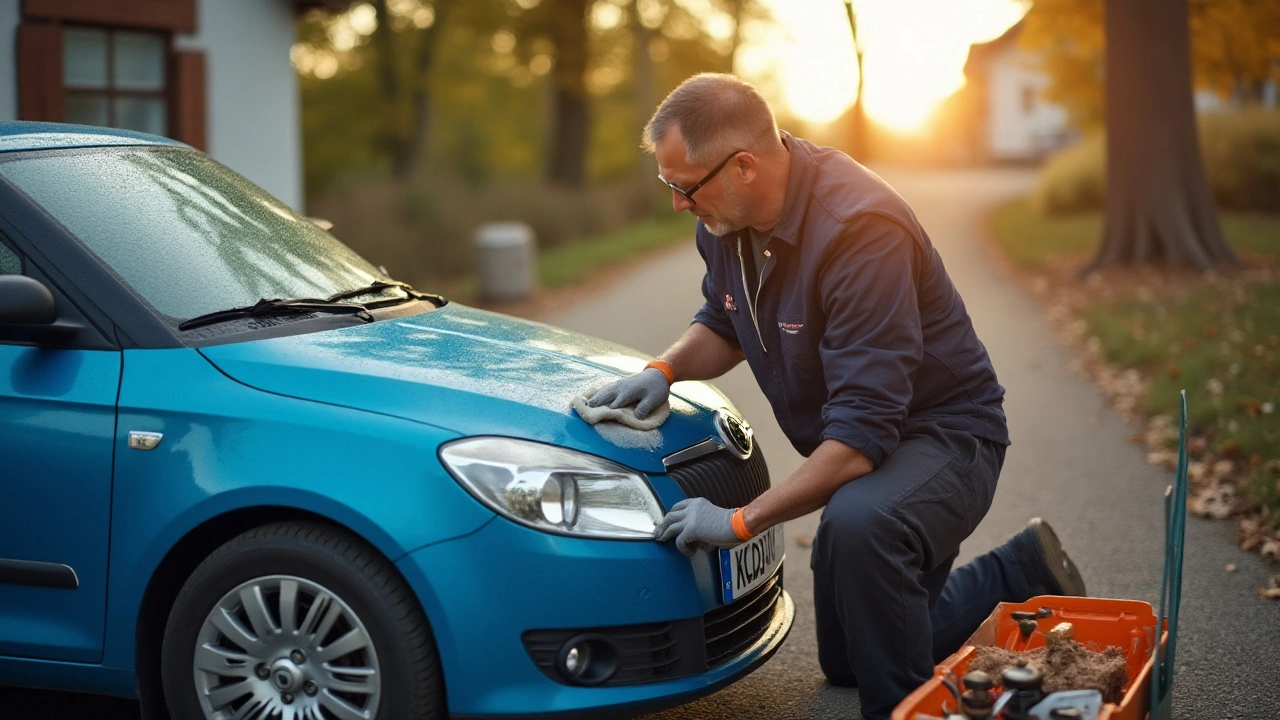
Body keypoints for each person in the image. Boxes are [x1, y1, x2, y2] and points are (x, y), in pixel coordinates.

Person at [587, 73, 1087, 720]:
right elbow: (723, 319)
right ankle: (1015, 573)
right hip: (867, 441)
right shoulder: (724, 219)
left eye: (685, 187)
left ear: (742, 167)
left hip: (947, 437)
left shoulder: (860, 231)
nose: (680, 204)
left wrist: (739, 523)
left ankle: (903, 711)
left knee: (860, 526)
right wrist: (663, 370)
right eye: (669, 185)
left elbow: (859, 440)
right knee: (849, 660)